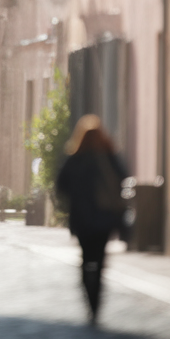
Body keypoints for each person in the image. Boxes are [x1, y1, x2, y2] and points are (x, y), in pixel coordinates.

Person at [55, 115, 128, 327]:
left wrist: (74, 202)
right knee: (100, 261)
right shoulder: (109, 157)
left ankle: (90, 305)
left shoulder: (74, 159)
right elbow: (123, 178)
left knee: (87, 261)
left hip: (83, 221)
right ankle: (96, 304)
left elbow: (61, 187)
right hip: (105, 219)